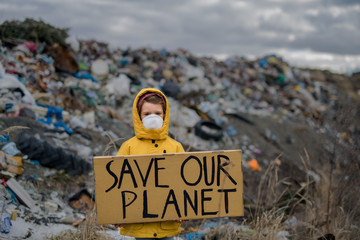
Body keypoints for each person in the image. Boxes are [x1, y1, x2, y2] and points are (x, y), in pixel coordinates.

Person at [115, 88, 185, 239]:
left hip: (167, 224)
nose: (153, 117)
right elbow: (117, 184)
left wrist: (184, 210)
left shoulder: (176, 147)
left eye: (158, 113)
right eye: (147, 114)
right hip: (140, 226)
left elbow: (185, 184)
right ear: (138, 116)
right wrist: (118, 213)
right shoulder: (128, 147)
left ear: (165, 115)